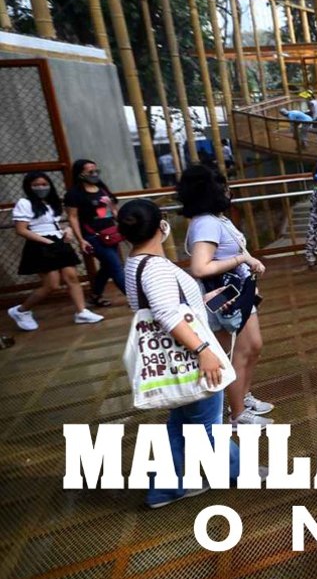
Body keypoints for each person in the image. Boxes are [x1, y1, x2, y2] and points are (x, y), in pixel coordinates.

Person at [118, 198, 240, 508]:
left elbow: (170, 305)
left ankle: (164, 488)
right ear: (161, 227)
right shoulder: (155, 267)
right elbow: (167, 315)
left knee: (180, 425)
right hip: (189, 357)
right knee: (209, 425)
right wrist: (203, 350)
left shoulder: (135, 263)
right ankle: (238, 470)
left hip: (174, 359)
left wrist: (205, 297)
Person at [176, 165, 273, 430]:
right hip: (226, 297)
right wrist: (241, 259)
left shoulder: (215, 218)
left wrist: (246, 261)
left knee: (252, 347)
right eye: (222, 184)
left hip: (238, 292)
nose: (227, 189)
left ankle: (242, 396)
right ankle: (238, 414)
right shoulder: (207, 222)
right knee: (239, 352)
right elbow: (200, 267)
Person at [7, 171, 104, 330]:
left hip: (58, 240)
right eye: (36, 185)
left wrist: (67, 231)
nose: (41, 188)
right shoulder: (24, 203)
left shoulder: (51, 202)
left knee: (72, 277)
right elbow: (21, 230)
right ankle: (21, 310)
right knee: (52, 284)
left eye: (44, 184)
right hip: (40, 244)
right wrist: (47, 241)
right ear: (28, 187)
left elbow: (55, 223)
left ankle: (81, 312)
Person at [65, 159, 125, 307]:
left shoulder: (102, 189)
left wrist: (122, 222)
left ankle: (95, 296)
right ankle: (136, 297)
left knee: (107, 266)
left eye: (96, 171)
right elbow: (72, 217)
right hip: (93, 236)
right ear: (80, 174)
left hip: (111, 234)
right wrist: (81, 240)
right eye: (90, 171)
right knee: (116, 266)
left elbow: (113, 209)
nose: (94, 174)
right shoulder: (74, 194)